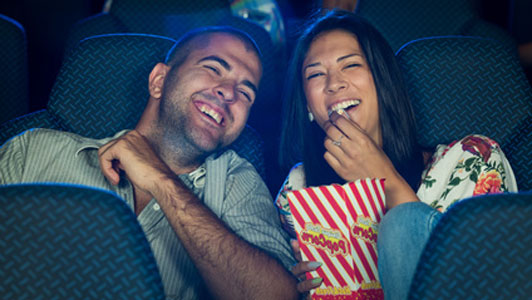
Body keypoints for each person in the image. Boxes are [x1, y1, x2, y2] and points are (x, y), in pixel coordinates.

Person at [0, 26, 299, 300]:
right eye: (212, 68)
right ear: (159, 80)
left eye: (246, 92)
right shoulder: (33, 151)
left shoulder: (239, 183)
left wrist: (160, 179)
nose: (229, 93)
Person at [274, 10, 517, 299]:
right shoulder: (297, 192)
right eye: (315, 74)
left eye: (351, 65)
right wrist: (296, 286)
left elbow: (481, 284)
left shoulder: (471, 161)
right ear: (307, 106)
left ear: (383, 82)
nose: (334, 83)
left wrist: (384, 178)